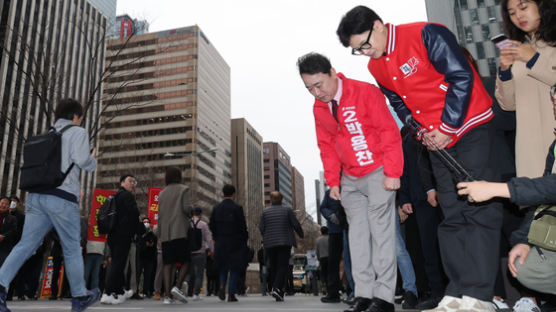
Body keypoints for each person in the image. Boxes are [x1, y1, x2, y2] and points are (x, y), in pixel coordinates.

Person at [337, 7, 502, 312]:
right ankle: (457, 292)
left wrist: (447, 126)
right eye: (357, 50)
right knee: (451, 214)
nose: (365, 52)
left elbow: (461, 76)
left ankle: (481, 295)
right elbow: (399, 104)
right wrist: (418, 131)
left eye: (365, 43)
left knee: (478, 211)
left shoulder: (426, 34)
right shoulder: (376, 67)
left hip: (470, 126)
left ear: (379, 25)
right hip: (435, 140)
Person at [297, 52, 403, 312]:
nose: (316, 93)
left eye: (319, 84)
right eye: (309, 88)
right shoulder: (319, 108)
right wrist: (333, 182)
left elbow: (388, 131)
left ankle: (385, 298)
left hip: (378, 170)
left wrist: (393, 171)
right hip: (350, 178)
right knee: (356, 238)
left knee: (381, 235)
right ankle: (364, 295)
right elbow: (327, 146)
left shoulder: (364, 91)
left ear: (332, 72)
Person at [0, 98, 99, 312]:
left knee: (25, 245)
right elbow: (83, 162)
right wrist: (93, 159)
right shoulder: (77, 133)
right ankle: (80, 296)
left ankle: (0, 287)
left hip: (36, 196)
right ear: (75, 116)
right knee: (72, 247)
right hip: (61, 198)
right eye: (80, 118)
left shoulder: (44, 135)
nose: (80, 121)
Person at [496, 0, 556, 179]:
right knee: (537, 200)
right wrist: (505, 71)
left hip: (552, 136)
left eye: (523, 7)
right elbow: (508, 104)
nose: (518, 16)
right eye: (512, 13)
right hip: (530, 145)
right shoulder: (518, 48)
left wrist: (533, 59)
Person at [397, 127, 445, 309]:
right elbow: (405, 170)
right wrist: (404, 198)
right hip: (421, 200)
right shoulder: (408, 139)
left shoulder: (438, 127)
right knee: (427, 250)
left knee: (448, 246)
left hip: (446, 193)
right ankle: (435, 292)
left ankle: (453, 290)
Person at [101, 174, 140, 305]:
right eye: (130, 181)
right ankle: (107, 293)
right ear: (122, 183)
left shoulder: (114, 196)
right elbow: (135, 214)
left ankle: (120, 291)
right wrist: (140, 231)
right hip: (123, 235)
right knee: (118, 264)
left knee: (119, 263)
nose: (132, 184)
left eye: (134, 182)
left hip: (112, 235)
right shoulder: (127, 196)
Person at [259, 191, 304, 302]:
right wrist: (301, 234)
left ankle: (278, 290)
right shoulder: (287, 210)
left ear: (271, 199)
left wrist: (267, 235)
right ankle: (276, 288)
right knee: (283, 266)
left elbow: (261, 227)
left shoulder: (265, 212)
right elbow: (295, 224)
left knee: (274, 266)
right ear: (281, 199)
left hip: (270, 243)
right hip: (284, 242)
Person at [156, 167, 192, 305]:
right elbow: (186, 209)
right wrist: (192, 210)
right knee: (186, 261)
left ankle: (167, 295)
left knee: (168, 264)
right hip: (180, 231)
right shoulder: (184, 189)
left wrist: (159, 234)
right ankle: (177, 287)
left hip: (166, 233)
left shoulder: (162, 193)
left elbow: (160, 216)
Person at [209, 184, 248, 303]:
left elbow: (211, 224)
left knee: (223, 267)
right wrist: (244, 239)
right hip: (235, 242)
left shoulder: (216, 208)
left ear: (223, 193)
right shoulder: (237, 208)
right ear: (233, 194)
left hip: (221, 241)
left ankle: (221, 286)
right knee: (235, 268)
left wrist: (216, 237)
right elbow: (242, 226)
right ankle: (231, 294)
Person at [319, 191, 344, 303]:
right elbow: (323, 207)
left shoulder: (351, 186)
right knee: (333, 262)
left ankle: (354, 291)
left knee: (340, 262)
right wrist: (332, 216)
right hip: (336, 231)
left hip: (346, 229)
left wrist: (335, 216)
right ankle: (334, 292)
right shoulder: (329, 192)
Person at [187, 206, 213, 301]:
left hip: (189, 252)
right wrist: (211, 250)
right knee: (199, 274)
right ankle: (196, 294)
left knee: (190, 273)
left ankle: (188, 291)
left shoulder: (187, 224)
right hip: (200, 252)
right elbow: (209, 239)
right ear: (200, 214)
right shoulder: (203, 225)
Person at [137, 217, 157, 298]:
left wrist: (152, 244)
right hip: (141, 256)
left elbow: (155, 242)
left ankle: (146, 291)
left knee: (148, 275)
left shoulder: (151, 233)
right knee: (138, 274)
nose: (146, 223)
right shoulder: (139, 232)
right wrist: (144, 244)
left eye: (147, 222)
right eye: (144, 221)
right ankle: (137, 290)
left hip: (149, 257)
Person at [0, 197, 17, 267]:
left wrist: (3, 236)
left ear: (9, 206)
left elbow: (14, 231)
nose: (3, 205)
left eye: (6, 204)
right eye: (2, 203)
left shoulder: (13, 218)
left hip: (5, 248)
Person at [315, 226, 329, 296]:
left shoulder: (318, 240)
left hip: (322, 258)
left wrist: (318, 258)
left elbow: (317, 251)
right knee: (330, 273)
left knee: (323, 273)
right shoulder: (330, 238)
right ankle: (330, 288)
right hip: (329, 258)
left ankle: (324, 286)